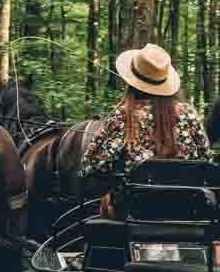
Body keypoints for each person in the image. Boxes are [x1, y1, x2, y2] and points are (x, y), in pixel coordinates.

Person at [82, 43, 210, 178]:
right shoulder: (188, 114)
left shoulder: (124, 116)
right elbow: (206, 160)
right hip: (188, 197)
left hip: (134, 198)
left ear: (132, 83)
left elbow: (91, 166)